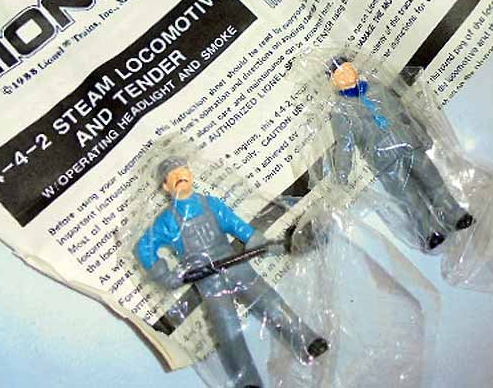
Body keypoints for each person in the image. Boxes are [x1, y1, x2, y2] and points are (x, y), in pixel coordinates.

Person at [136, 157, 328, 388]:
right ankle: (247, 381)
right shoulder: (167, 221)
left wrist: (255, 240)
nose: (180, 177)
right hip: (207, 278)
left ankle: (306, 340)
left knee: (269, 301)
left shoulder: (211, 204)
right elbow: (144, 247)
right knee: (227, 329)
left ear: (191, 175)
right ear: (166, 187)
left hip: (235, 265)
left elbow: (235, 224)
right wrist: (166, 275)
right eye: (173, 176)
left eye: (183, 171)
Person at [326, 56, 473, 250]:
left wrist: (421, 134)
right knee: (409, 198)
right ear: (335, 81)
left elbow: (405, 113)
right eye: (341, 73)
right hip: (385, 161)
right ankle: (429, 231)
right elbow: (345, 144)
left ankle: (454, 214)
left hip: (409, 144)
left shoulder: (378, 90)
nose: (347, 74)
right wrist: (342, 173)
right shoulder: (341, 112)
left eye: (348, 68)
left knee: (433, 181)